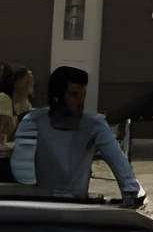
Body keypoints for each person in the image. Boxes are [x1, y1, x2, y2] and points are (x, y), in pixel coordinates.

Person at [9, 67, 142, 205]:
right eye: (74, 95)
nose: (81, 101)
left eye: (83, 95)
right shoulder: (33, 122)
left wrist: (130, 192)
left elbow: (118, 161)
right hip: (40, 206)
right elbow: (22, 169)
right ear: (57, 96)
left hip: (75, 207)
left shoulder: (94, 125)